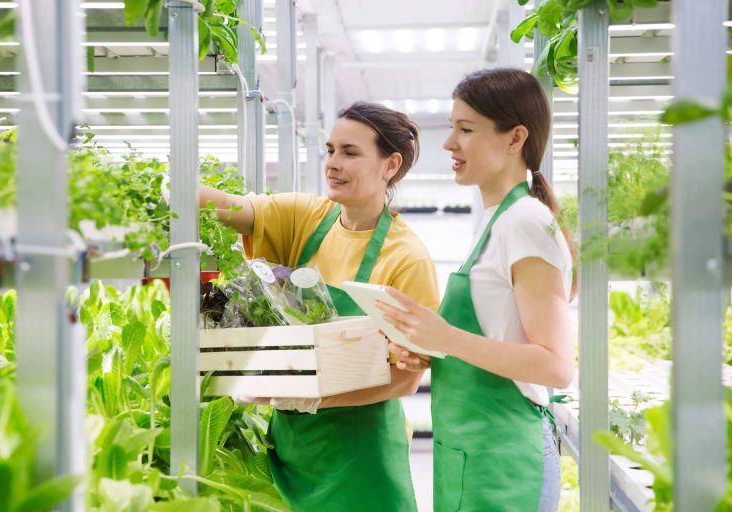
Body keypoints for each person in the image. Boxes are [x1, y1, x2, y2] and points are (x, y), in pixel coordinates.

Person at [198, 101, 439, 511]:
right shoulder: (307, 218)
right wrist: (166, 186)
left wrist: (311, 398)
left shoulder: (407, 258)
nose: (333, 163)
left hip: (360, 456)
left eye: (350, 152)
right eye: (330, 150)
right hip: (290, 447)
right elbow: (223, 206)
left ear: (390, 165)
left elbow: (404, 380)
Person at [376, 68, 576, 512]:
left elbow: (557, 365)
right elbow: (498, 338)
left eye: (465, 129)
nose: (449, 143)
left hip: (503, 462)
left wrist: (444, 338)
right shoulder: (500, 221)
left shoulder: (525, 221)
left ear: (514, 138)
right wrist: (429, 347)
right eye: (452, 128)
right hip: (473, 455)